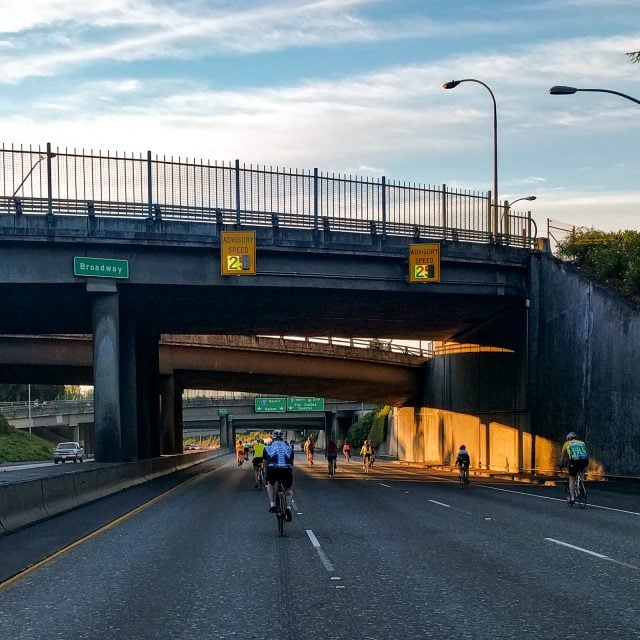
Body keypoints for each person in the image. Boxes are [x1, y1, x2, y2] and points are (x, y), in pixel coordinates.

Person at [263, 429, 294, 521]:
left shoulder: (268, 446)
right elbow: (292, 463)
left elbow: (265, 462)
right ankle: (288, 507)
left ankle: (272, 504)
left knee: (271, 484)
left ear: (273, 437)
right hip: (286, 469)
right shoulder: (289, 446)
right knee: (288, 489)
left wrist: (266, 474)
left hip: (273, 468)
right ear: (282, 437)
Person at [560, 432, 589, 505]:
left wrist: (561, 464)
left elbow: (563, 456)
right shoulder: (582, 443)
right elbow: (584, 452)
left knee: (571, 479)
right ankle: (582, 485)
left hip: (574, 461)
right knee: (581, 471)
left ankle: (572, 498)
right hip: (584, 461)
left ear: (568, 439)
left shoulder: (566, 444)